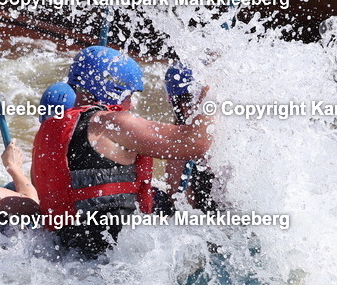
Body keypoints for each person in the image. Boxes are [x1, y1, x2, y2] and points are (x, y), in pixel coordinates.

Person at [31, 46, 211, 258]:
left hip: (67, 253)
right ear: (112, 89)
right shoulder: (109, 123)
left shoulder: (49, 129)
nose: (132, 103)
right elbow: (194, 143)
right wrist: (211, 96)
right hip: (111, 262)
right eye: (130, 94)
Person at [163, 63, 218, 213]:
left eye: (195, 101)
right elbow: (177, 197)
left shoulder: (229, 132)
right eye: (185, 101)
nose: (191, 108)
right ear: (174, 104)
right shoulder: (178, 136)